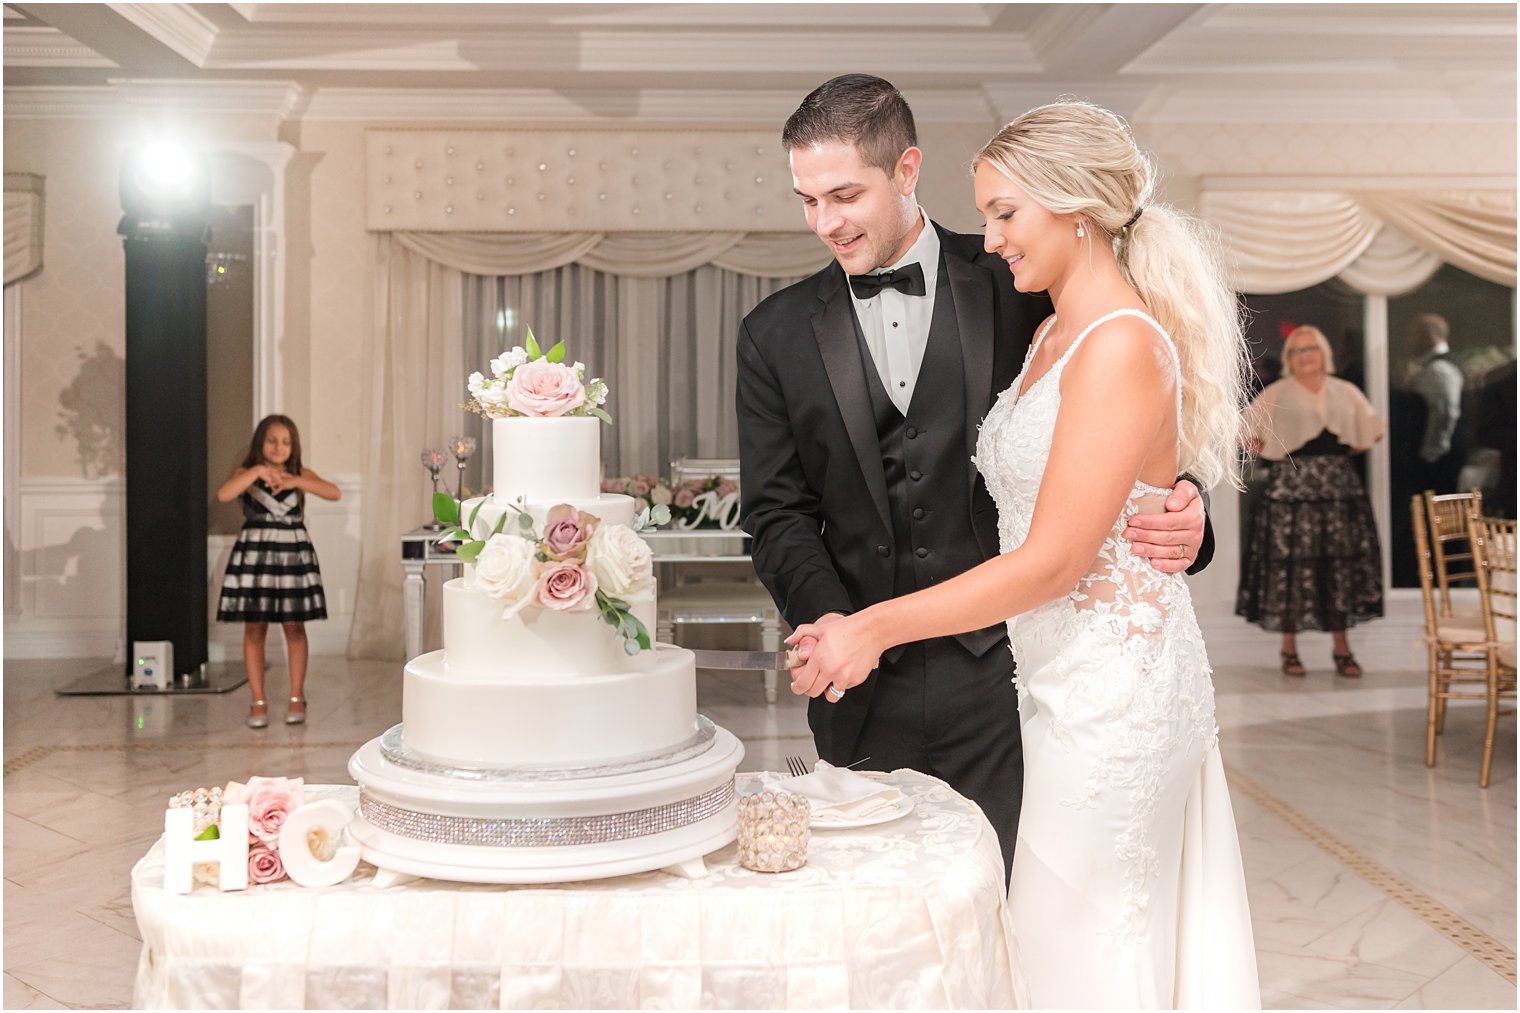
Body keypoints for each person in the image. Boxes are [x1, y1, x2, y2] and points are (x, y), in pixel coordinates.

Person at [786, 101, 1260, 1008]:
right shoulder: (1049, 331)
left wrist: (874, 627)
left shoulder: (1121, 341)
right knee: (1048, 939)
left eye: (1007, 212)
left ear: (1077, 207)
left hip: (1113, 694)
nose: (991, 237)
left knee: (1077, 942)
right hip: (1046, 681)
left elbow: (1053, 561)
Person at [736, 73, 1211, 879]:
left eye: (845, 194)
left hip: (1011, 682)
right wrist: (834, 630)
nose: (826, 222)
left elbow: (1133, 402)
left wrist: (1188, 500)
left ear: (907, 170)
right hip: (862, 687)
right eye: (807, 199)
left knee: (1020, 911)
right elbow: (777, 511)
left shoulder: (1021, 278)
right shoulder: (772, 332)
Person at [1237, 325, 1386, 677]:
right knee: (1291, 566)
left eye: (1312, 349)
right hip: (1291, 491)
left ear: (1324, 353)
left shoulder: (1345, 390)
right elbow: (1245, 431)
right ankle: (1289, 650)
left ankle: (1342, 649)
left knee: (1339, 567)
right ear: (1290, 357)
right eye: (1298, 350)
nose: (1306, 356)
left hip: (1338, 491)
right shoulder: (1277, 392)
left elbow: (1370, 430)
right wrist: (1269, 450)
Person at [215, 414, 339, 729]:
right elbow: (224, 494)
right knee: (254, 628)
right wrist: (258, 471)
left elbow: (333, 492)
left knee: (294, 626)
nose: (278, 447)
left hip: (291, 557)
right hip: (255, 558)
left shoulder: (300, 473)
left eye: (285, 442)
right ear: (261, 443)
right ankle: (258, 700)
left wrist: (296, 481)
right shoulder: (246, 473)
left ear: (293, 446)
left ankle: (297, 696)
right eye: (272, 440)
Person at [1408, 313, 1466, 494]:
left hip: (1440, 460)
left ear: (1429, 336)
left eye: (1413, 335)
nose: (1409, 340)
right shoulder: (1440, 366)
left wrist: (1431, 454)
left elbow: (1445, 412)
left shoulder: (1438, 370)